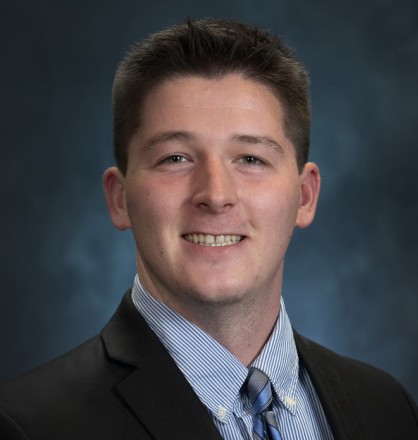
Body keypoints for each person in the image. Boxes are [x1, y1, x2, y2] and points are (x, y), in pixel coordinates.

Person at [0, 17, 417, 440]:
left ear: (305, 196)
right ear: (119, 199)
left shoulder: (389, 409)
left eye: (251, 159)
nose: (216, 195)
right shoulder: (27, 426)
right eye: (175, 158)